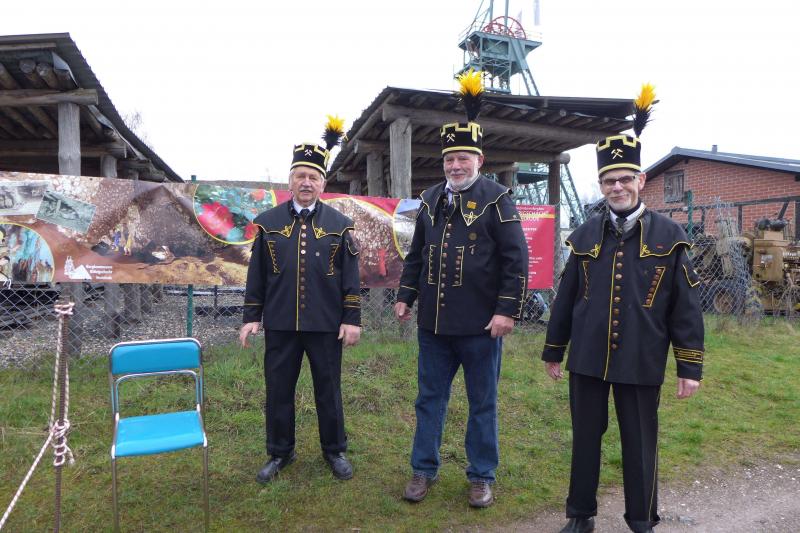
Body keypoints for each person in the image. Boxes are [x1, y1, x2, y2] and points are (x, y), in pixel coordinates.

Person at [542, 85, 704, 533]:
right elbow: (566, 297)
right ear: (601, 185)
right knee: (584, 441)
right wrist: (554, 349)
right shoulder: (584, 236)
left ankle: (641, 519)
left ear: (640, 181)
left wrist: (689, 366)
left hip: (641, 358)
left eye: (625, 179)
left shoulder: (671, 237)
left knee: (640, 442)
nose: (617, 187)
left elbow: (686, 308)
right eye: (609, 181)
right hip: (587, 358)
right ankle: (580, 515)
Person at [394, 70, 528, 508]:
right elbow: (417, 254)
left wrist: (506, 311)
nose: (455, 166)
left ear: (479, 160)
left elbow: (515, 260)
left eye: (463, 158)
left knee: (482, 403)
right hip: (433, 327)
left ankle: (481, 475)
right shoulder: (430, 199)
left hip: (481, 327)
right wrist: (405, 295)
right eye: (450, 159)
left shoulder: (498, 199)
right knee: (428, 400)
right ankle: (422, 469)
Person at [240, 116, 362, 483]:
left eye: (313, 176)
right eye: (300, 176)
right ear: (290, 180)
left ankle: (334, 450)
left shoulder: (340, 225)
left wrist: (351, 319)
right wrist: (251, 316)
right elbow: (257, 274)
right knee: (278, 390)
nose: (306, 182)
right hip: (280, 324)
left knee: (329, 389)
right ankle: (280, 452)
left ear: (323, 183)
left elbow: (351, 276)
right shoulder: (268, 223)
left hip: (326, 324)